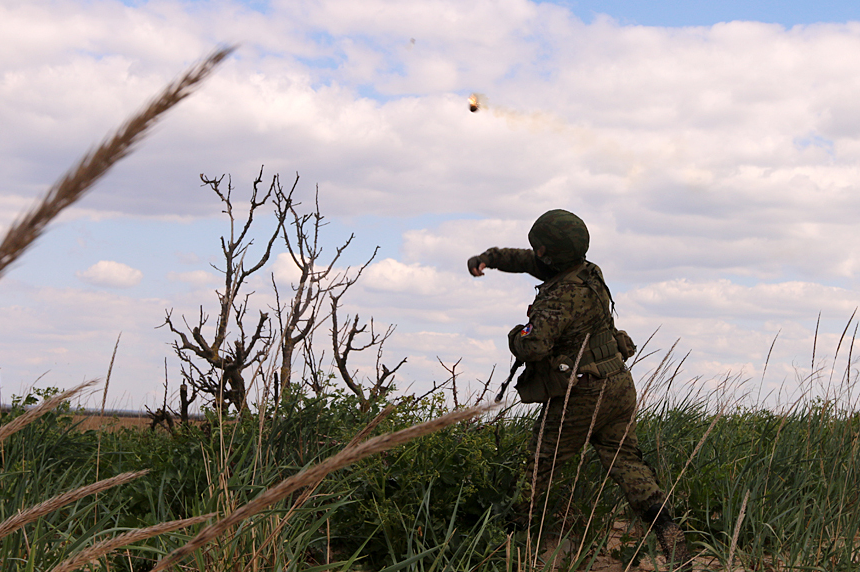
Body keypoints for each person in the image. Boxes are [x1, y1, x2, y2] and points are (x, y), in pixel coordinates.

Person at [467, 209, 691, 570]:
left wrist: (513, 335)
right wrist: (489, 259)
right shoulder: (588, 272)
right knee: (627, 462)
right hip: (617, 383)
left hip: (583, 394)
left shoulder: (559, 297)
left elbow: (533, 347)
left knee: (539, 465)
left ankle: (505, 545)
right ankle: (668, 534)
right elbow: (529, 261)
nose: (535, 254)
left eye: (540, 248)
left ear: (549, 253)